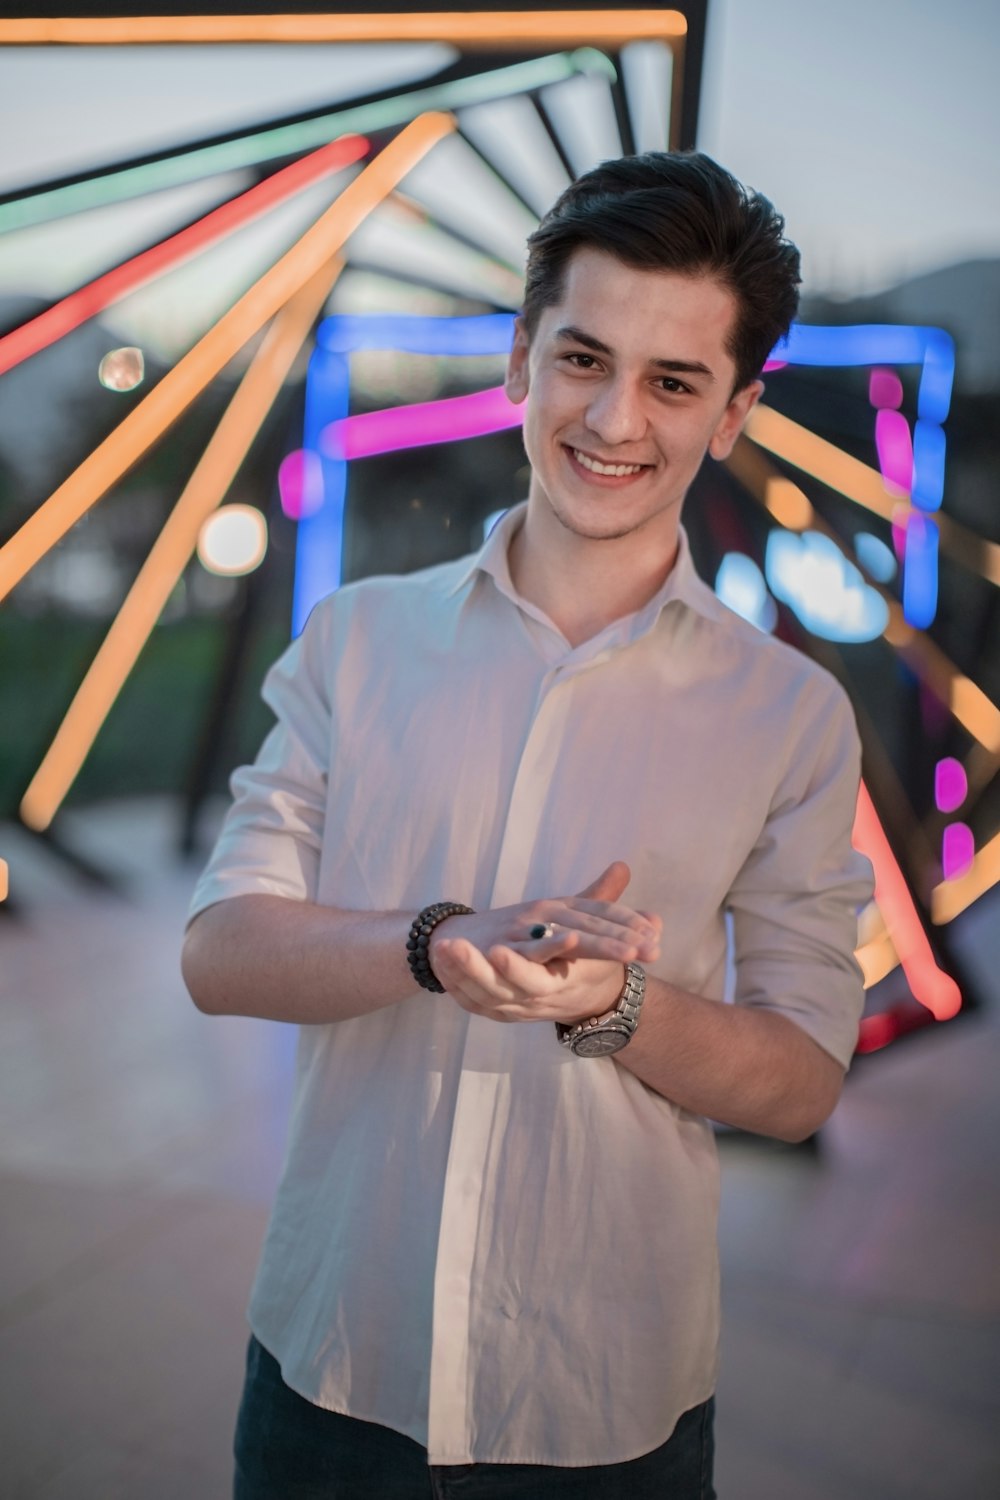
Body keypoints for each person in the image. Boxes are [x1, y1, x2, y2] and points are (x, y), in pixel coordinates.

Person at [182, 150, 873, 1498]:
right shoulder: (359, 639)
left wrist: (618, 1006)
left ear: (734, 412)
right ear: (518, 360)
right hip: (332, 1367)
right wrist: (439, 943)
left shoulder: (790, 715)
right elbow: (221, 953)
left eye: (675, 381)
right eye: (582, 358)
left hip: (605, 1411)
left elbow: (801, 1081)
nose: (615, 417)